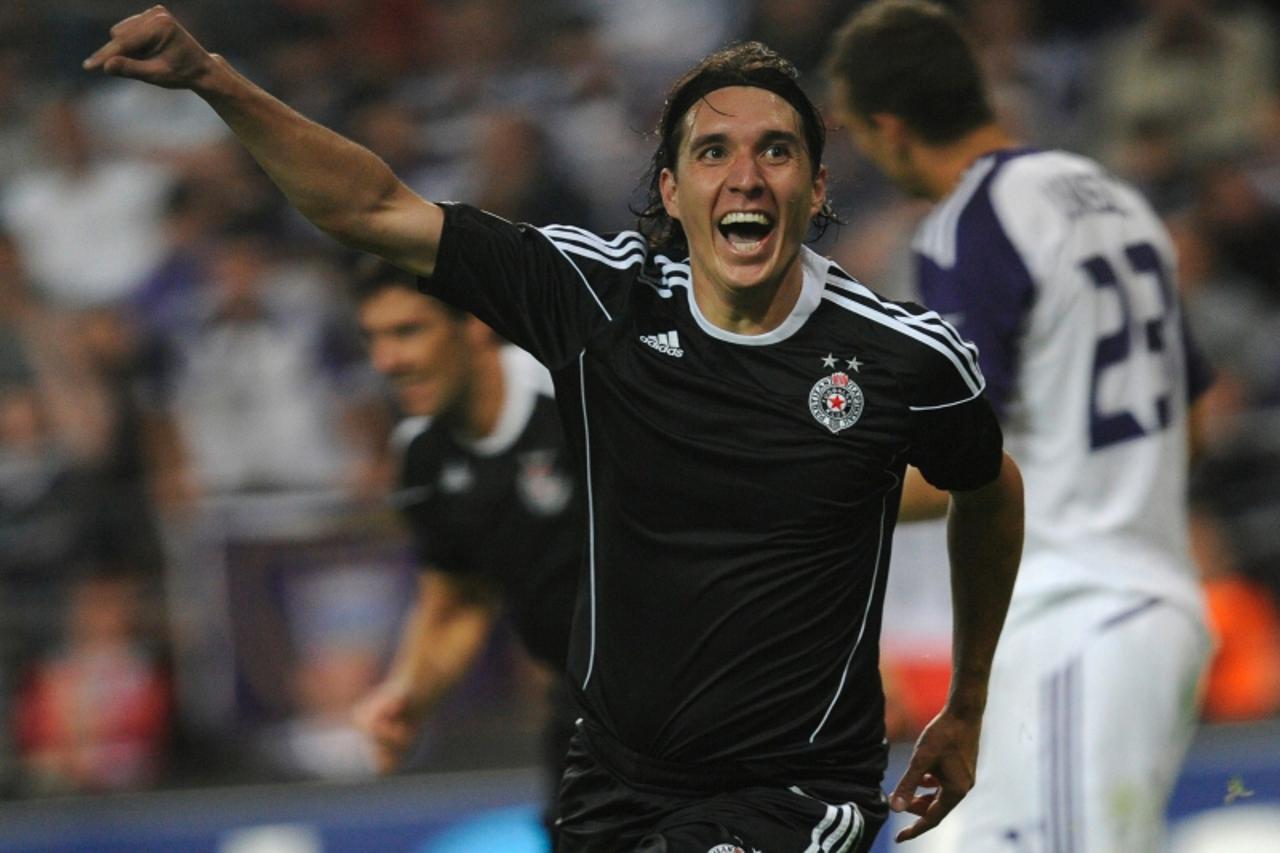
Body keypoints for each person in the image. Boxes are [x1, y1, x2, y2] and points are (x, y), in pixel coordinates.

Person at [85, 9, 1025, 851]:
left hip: (793, 791)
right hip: (613, 783)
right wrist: (213, 77)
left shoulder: (902, 354)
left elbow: (990, 488)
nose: (746, 175)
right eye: (712, 153)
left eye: (777, 151)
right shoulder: (594, 296)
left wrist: (968, 701)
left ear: (818, 187)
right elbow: (370, 207)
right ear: (668, 189)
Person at [825, 2, 1214, 850]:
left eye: (855, 131)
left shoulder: (974, 219)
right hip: (1138, 604)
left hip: (1080, 608)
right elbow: (1197, 423)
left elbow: (971, 458)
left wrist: (805, 496)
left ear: (889, 128)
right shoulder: (1112, 198)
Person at [348, 259, 582, 843]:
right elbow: (459, 603)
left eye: (408, 331)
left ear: (475, 324)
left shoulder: (580, 393)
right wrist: (407, 693)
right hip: (583, 717)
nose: (388, 361)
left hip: (698, 698)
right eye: (373, 339)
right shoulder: (422, 457)